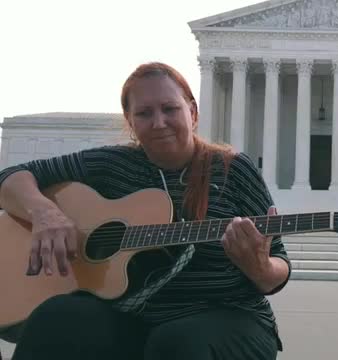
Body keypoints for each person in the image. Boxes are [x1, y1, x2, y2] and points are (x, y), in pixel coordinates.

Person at [0, 62, 291, 360]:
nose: (159, 122)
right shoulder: (110, 165)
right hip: (136, 315)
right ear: (130, 120)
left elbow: (277, 265)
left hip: (230, 316)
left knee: (176, 342)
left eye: (169, 109)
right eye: (144, 113)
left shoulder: (234, 169)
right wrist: (44, 212)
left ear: (192, 112)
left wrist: (260, 268)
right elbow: (11, 176)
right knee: (58, 316)